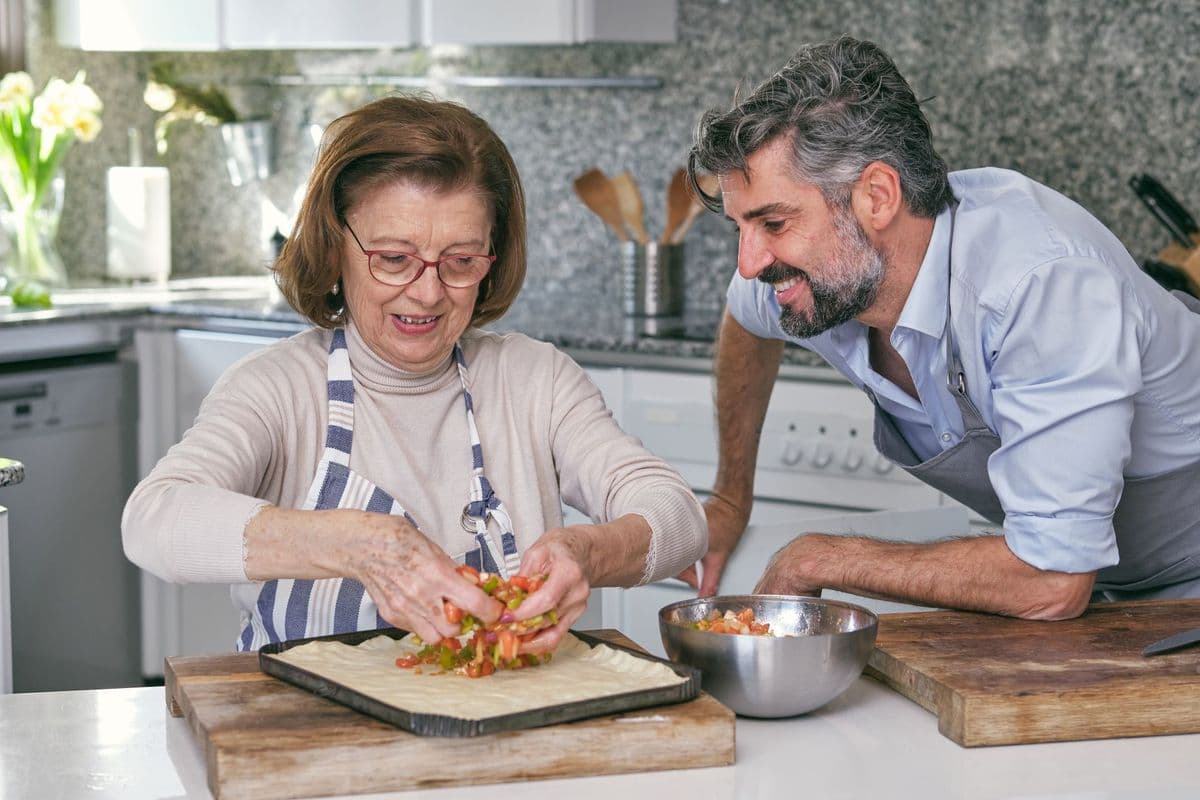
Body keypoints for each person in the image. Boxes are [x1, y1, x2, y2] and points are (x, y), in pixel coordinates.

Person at [123, 95, 706, 652]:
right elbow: (154, 520)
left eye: (460, 262)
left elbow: (677, 516)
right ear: (335, 248)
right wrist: (361, 545)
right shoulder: (277, 389)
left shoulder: (537, 381)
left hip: (504, 726)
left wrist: (589, 551)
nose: (427, 293)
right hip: (314, 739)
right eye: (394, 259)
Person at [684, 35, 1200, 618]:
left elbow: (1050, 580)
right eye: (739, 230)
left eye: (773, 223)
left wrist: (818, 558)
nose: (748, 262)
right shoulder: (811, 277)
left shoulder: (1040, 285)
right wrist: (729, 497)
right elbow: (745, 319)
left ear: (877, 197)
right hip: (1095, 587)